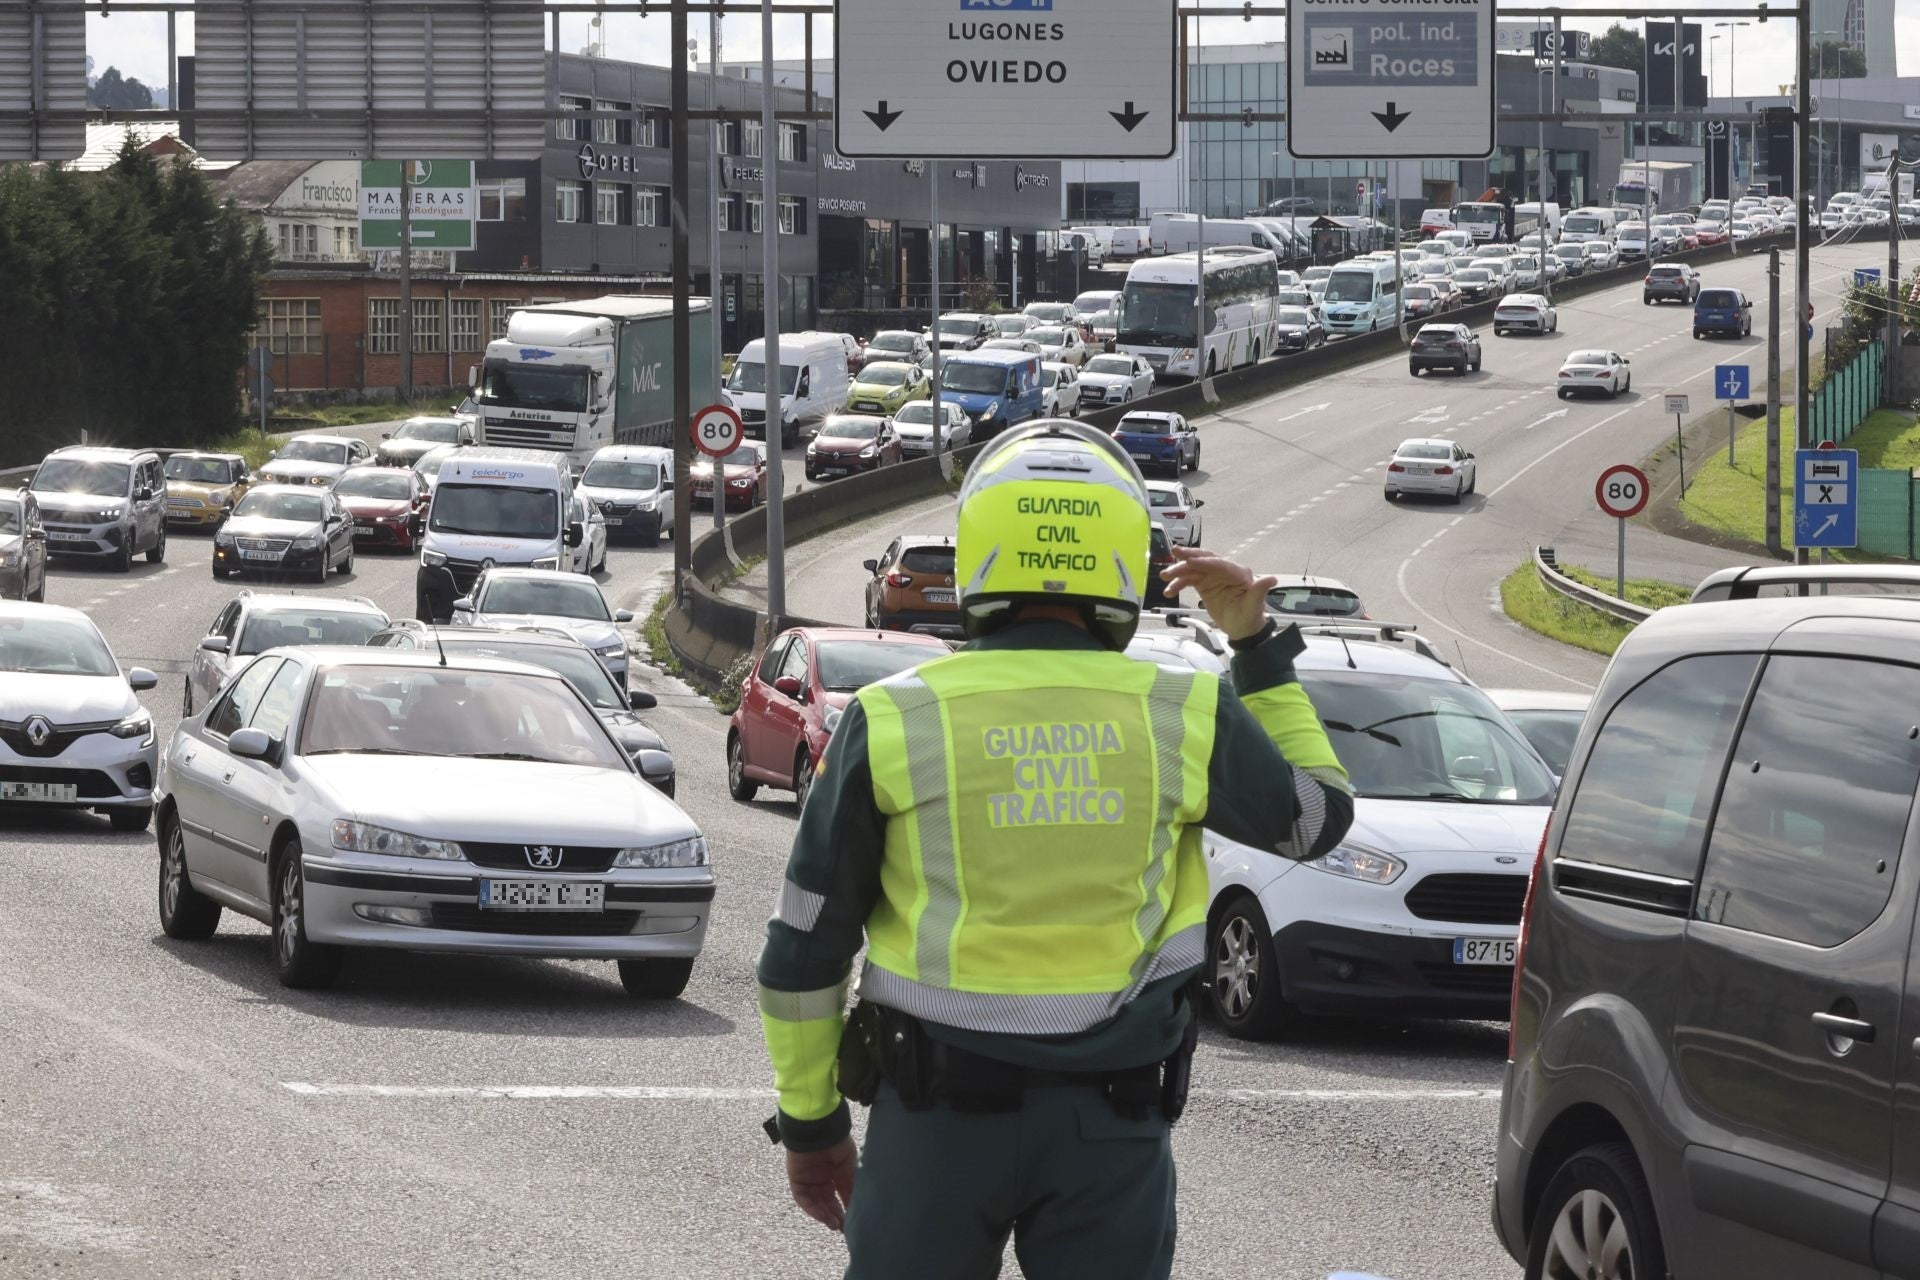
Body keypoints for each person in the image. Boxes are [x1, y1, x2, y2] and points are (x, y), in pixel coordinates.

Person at [755, 419, 1354, 1280]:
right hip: (1112, 1133)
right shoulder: (1182, 709)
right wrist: (1256, 647)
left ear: (978, 555)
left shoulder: (892, 717)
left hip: (932, 1129)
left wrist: (812, 1128)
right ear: (1125, 559)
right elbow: (1316, 819)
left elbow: (804, 952)